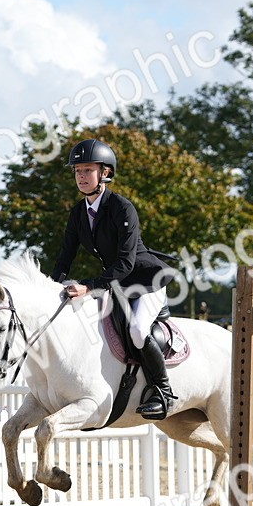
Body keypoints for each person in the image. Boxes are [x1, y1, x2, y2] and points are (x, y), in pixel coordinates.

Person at [51, 138, 177, 420]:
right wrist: (50, 287)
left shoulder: (122, 208)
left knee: (136, 330)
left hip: (145, 281)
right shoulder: (78, 213)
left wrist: (89, 286)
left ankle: (163, 391)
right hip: (116, 282)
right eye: (77, 171)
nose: (81, 176)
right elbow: (64, 257)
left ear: (104, 173)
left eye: (87, 170)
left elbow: (125, 262)